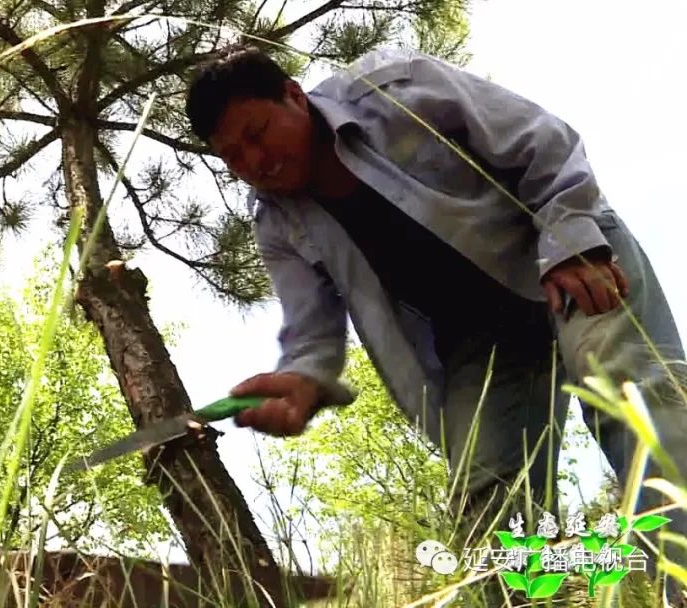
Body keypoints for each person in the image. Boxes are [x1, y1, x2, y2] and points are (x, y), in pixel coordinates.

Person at [185, 46, 687, 604]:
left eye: (257, 133)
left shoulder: (393, 88)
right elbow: (312, 334)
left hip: (563, 252)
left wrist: (569, 236)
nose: (254, 162)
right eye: (233, 157)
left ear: (294, 96)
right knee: (485, 499)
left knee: (634, 393)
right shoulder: (278, 225)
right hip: (482, 338)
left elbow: (537, 138)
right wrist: (304, 378)